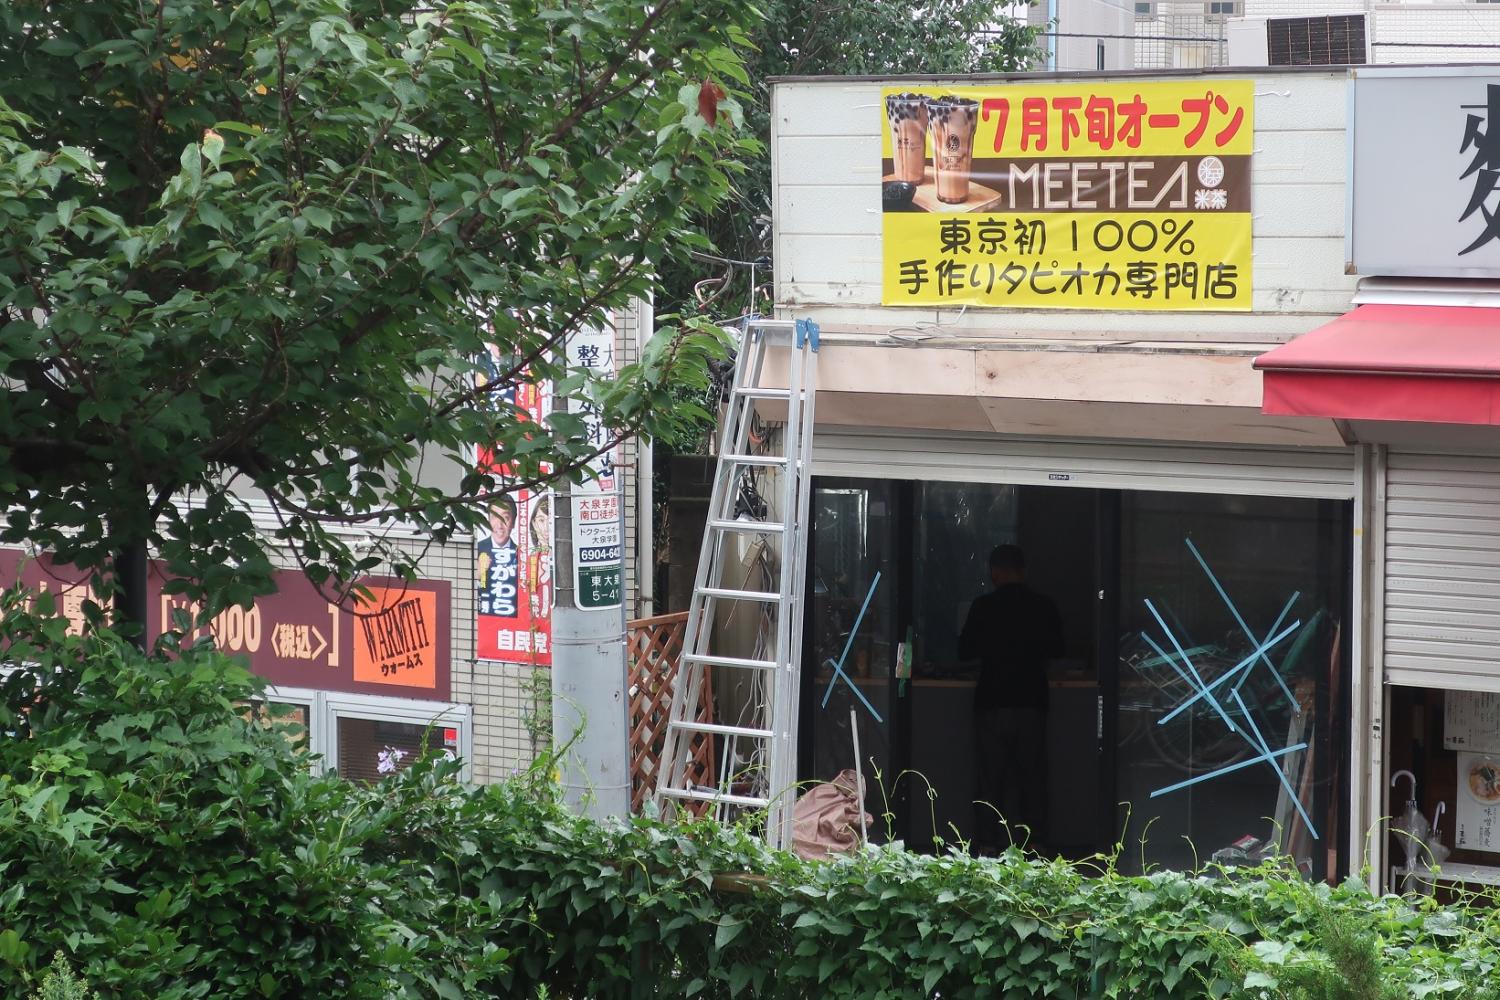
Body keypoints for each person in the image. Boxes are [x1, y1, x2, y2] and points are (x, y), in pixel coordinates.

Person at [958, 544, 1064, 854]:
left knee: (990, 779)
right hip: (1031, 701)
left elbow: (964, 652)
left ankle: (989, 844)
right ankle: (1035, 844)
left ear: (994, 572)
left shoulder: (983, 607)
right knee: (1031, 778)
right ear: (1023, 570)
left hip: (992, 700)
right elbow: (1059, 650)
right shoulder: (1044, 606)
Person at [476, 497, 519, 618]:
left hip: (513, 623)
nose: (499, 525)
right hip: (484, 620)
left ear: (513, 522)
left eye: (505, 518)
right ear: (488, 519)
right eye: (495, 517)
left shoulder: (522, 554)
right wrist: (477, 576)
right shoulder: (477, 550)